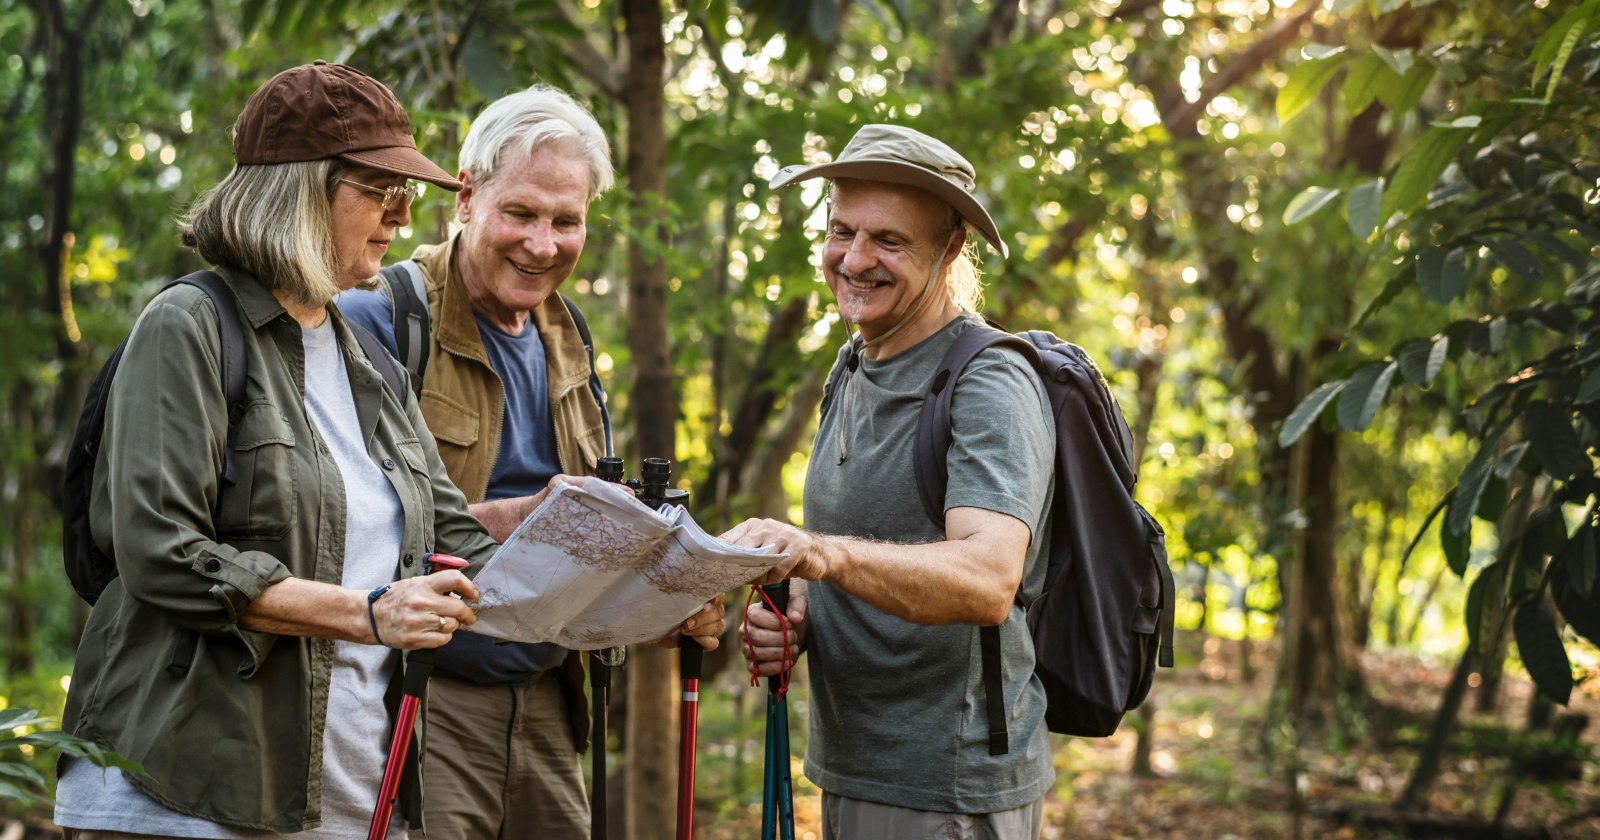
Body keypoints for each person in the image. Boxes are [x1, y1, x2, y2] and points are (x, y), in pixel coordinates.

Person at [53, 60, 555, 838]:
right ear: (301, 190)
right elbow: (160, 551)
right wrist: (367, 612)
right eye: (383, 191)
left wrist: (649, 584)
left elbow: (460, 544)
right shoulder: (189, 326)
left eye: (407, 194)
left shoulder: (370, 361)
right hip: (184, 790)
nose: (403, 216)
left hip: (346, 794)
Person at [337, 84, 725, 840]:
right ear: (465, 197)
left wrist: (662, 600)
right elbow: (338, 535)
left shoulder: (568, 336)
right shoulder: (380, 316)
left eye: (566, 221)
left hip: (551, 696)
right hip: (425, 696)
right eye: (521, 213)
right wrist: (524, 518)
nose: (543, 245)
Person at [728, 125, 1057, 839]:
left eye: (888, 240)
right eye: (841, 230)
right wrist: (804, 612)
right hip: (854, 770)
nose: (854, 259)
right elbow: (872, 546)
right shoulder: (852, 364)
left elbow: (988, 580)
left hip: (947, 789)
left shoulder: (989, 382)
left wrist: (821, 555)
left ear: (949, 248)